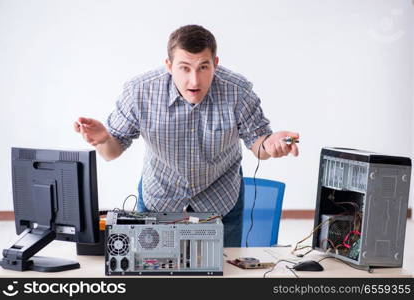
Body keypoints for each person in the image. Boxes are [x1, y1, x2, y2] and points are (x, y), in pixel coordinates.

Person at [74, 24, 299, 247]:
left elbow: (259, 144)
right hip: (159, 199)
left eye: (203, 67)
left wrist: (271, 144)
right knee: (154, 274)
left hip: (221, 200)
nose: (194, 80)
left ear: (215, 64)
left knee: (226, 274)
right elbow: (111, 153)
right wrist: (103, 139)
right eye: (184, 68)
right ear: (169, 66)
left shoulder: (237, 91)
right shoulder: (140, 91)